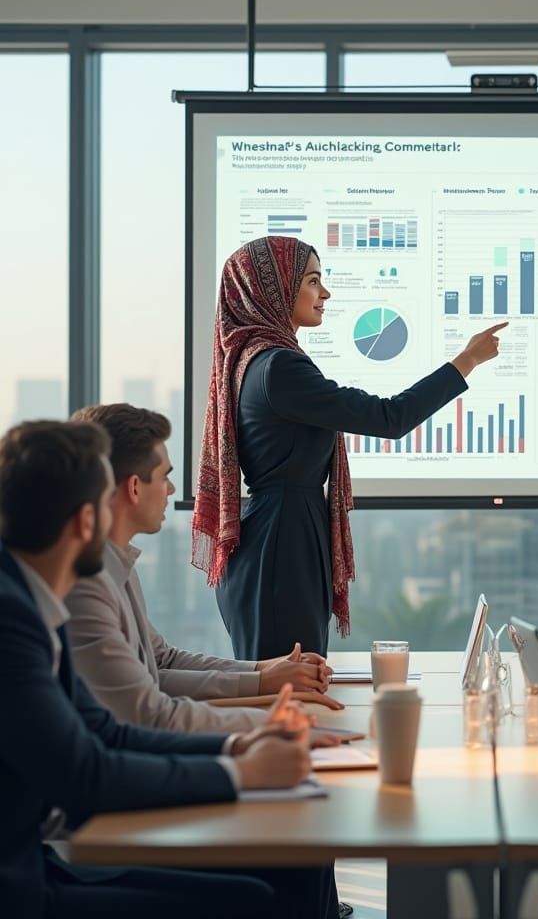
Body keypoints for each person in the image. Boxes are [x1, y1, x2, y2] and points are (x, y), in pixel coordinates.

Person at [0, 419, 334, 918]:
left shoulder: (34, 599)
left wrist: (237, 745)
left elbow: (104, 728)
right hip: (30, 880)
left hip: (41, 859)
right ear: (85, 520)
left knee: (273, 883)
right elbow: (88, 774)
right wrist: (240, 771)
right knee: (260, 895)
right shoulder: (16, 620)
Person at [193, 235, 506, 658]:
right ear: (275, 287)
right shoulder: (278, 367)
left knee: (289, 693)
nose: (325, 293)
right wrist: (465, 361)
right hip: (281, 549)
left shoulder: (250, 360)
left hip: (276, 538)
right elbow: (389, 418)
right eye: (312, 280)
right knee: (291, 697)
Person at [65, 402, 341, 733]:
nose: (170, 490)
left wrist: (263, 673)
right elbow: (148, 712)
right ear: (134, 487)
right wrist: (275, 720)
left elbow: (160, 663)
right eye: (164, 476)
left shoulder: (117, 564)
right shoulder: (85, 584)